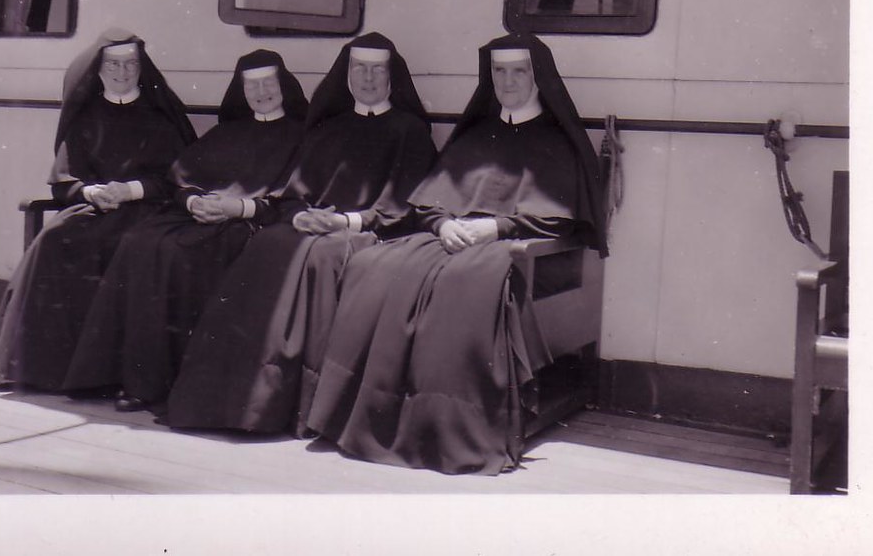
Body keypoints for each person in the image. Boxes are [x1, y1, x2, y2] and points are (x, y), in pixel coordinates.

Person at [306, 33, 608, 475]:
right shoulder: (477, 133)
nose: (507, 81)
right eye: (499, 71)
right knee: (374, 264)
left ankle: (446, 427)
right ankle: (374, 416)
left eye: (518, 71)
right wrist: (442, 224)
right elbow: (431, 199)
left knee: (464, 282)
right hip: (450, 237)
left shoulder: (556, 140)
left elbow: (560, 219)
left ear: (538, 78)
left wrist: (494, 227)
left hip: (512, 247)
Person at [163, 32, 437, 434]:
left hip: (363, 232)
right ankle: (226, 401)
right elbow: (293, 194)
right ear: (346, 76)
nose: (368, 77)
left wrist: (343, 222)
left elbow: (403, 208)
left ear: (392, 76)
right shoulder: (328, 129)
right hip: (313, 226)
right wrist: (300, 215)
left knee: (321, 257)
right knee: (268, 243)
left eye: (377, 69)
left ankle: (292, 407)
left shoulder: (409, 130)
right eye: (359, 68)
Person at [61, 50, 308, 411]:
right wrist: (193, 202)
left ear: (283, 86)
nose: (261, 92)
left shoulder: (300, 136)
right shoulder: (227, 132)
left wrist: (235, 208)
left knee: (184, 254)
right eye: (251, 86)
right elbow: (182, 180)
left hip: (248, 223)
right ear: (241, 91)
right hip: (201, 215)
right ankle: (131, 376)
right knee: (140, 241)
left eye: (268, 83)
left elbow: (291, 199)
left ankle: (172, 380)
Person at [0, 28, 196, 390]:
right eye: (113, 64)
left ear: (142, 67)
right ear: (98, 69)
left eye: (131, 64)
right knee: (54, 240)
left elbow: (176, 180)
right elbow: (65, 181)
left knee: (133, 246)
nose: (122, 72)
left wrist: (130, 190)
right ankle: (43, 369)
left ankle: (107, 375)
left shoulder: (160, 118)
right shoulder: (86, 117)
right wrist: (90, 191)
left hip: (146, 210)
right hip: (94, 209)